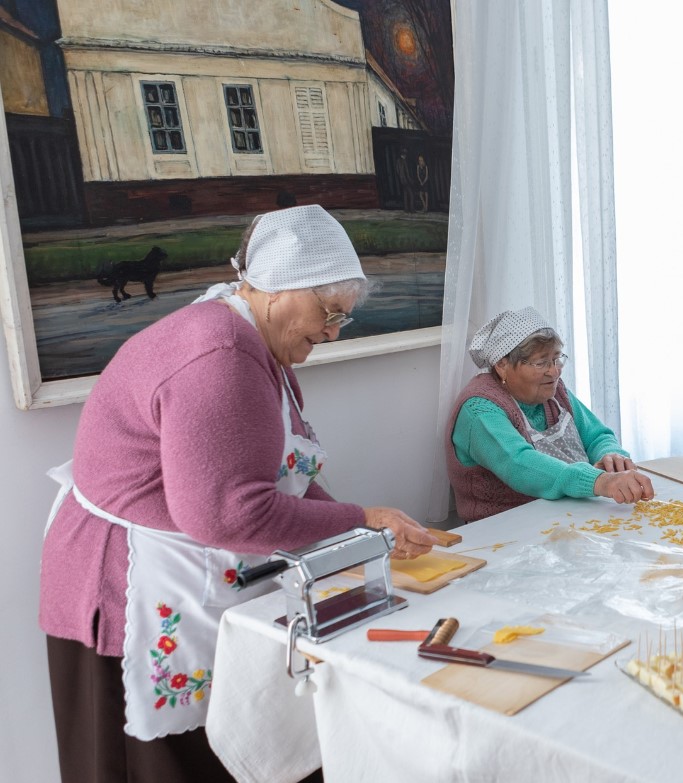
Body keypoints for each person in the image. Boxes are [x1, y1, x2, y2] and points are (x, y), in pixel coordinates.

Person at [38, 205, 439, 783]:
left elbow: (281, 475)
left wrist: (357, 533)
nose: (333, 331)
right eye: (329, 314)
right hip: (130, 586)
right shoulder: (220, 355)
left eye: (342, 317)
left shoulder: (254, 340)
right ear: (279, 291)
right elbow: (226, 513)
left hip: (186, 564)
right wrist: (362, 521)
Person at [447, 306, 654, 522]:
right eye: (541, 363)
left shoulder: (554, 391)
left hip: (566, 515)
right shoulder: (479, 411)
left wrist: (610, 456)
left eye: (557, 359)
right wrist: (601, 482)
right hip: (508, 527)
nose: (554, 372)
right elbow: (520, 464)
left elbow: (596, 435)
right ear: (502, 364)